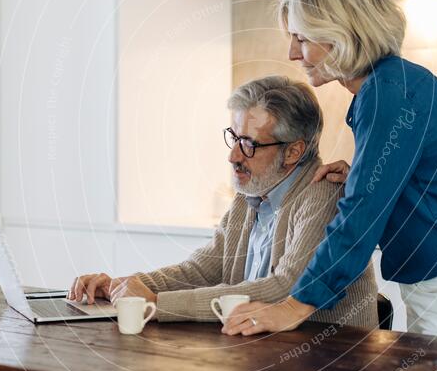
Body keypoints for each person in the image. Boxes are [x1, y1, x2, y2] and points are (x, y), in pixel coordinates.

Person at [223, 0, 437, 371]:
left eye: (302, 39)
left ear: (341, 35)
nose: (292, 53)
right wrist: (364, 176)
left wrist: (295, 305)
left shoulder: (387, 94)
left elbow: (361, 217)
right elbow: (408, 182)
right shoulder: (391, 86)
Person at [68, 76, 377, 328]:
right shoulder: (250, 196)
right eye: (234, 136)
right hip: (265, 360)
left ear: (294, 152)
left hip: (328, 370)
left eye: (249, 144)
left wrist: (157, 304)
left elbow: (285, 288)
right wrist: (124, 287)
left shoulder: (323, 193)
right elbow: (200, 270)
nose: (233, 156)